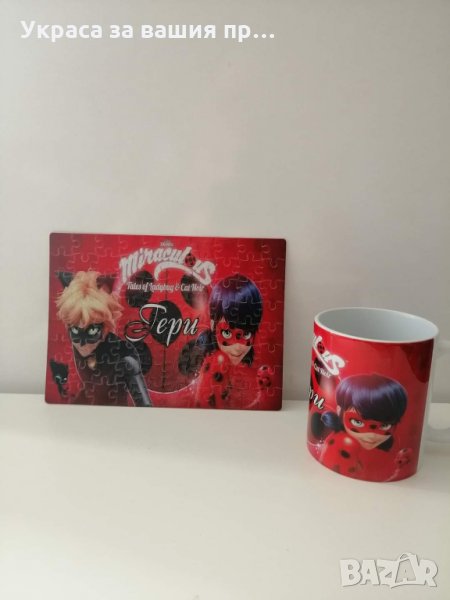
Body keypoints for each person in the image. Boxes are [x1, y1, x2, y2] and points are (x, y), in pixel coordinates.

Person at [50, 270, 151, 407]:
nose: (82, 343)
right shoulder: (77, 342)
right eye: (75, 330)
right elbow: (90, 388)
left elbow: (145, 407)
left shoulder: (124, 355)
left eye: (92, 331)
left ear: (105, 328)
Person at [195, 274, 272, 409]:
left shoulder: (250, 374)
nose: (237, 347)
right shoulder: (209, 364)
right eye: (227, 333)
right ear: (213, 325)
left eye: (246, 334)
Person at [319, 374, 407, 479]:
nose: (372, 436)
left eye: (384, 425)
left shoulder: (388, 453)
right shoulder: (340, 445)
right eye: (357, 422)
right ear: (339, 411)